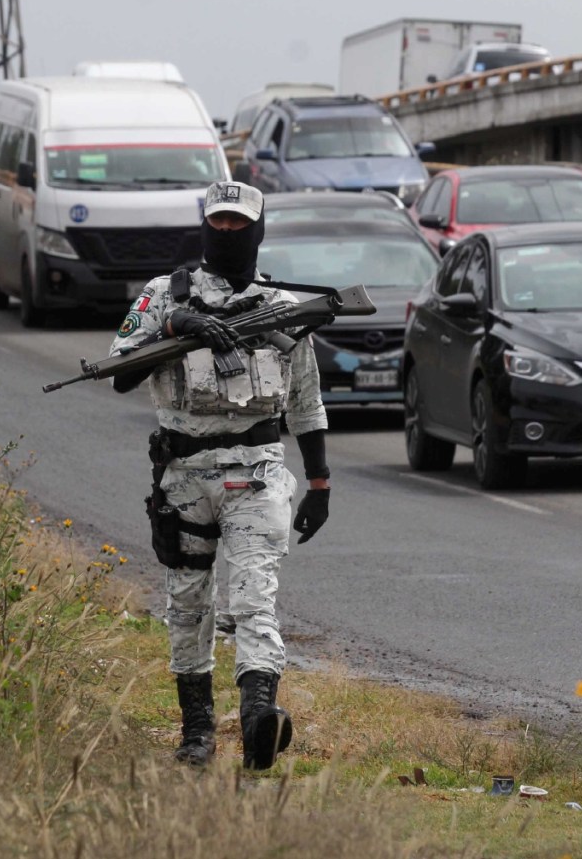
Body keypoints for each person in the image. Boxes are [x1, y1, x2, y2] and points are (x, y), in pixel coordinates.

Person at [109, 180, 332, 770]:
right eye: (219, 222)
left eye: (239, 223)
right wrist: (177, 330)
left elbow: (306, 404)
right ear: (204, 225)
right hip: (183, 474)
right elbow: (119, 373)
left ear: (258, 229)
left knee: (254, 597)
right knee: (187, 602)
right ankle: (198, 731)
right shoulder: (162, 295)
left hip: (257, 472)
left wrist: (320, 482)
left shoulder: (283, 306)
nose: (228, 232)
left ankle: (260, 715)